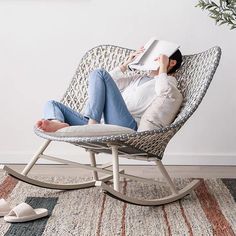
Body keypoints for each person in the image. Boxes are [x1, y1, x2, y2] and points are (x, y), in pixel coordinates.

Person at [36, 47, 182, 132]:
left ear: (172, 62)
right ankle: (57, 121)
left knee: (99, 72)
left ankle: (90, 126)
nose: (153, 59)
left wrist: (163, 66)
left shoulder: (167, 82)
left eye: (157, 57)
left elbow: (165, 93)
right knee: (52, 104)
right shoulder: (139, 77)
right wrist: (126, 64)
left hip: (126, 125)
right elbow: (108, 82)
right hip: (103, 122)